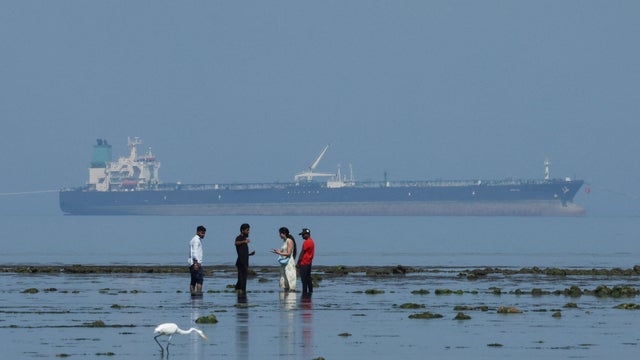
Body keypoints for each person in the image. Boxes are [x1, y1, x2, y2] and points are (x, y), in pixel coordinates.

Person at [273, 227, 297, 292]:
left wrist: (279, 252)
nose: (279, 235)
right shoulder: (285, 241)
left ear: (284, 233)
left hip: (289, 263)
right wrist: (278, 251)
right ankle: (286, 297)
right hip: (284, 263)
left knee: (289, 279)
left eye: (280, 233)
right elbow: (284, 251)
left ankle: (291, 297)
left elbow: (289, 253)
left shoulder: (289, 241)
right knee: (284, 280)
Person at [234, 223, 255, 294]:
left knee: (243, 279)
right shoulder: (239, 238)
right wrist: (244, 242)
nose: (248, 232)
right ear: (242, 230)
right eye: (247, 230)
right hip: (241, 262)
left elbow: (242, 252)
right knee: (241, 279)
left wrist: (249, 254)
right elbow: (236, 243)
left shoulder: (244, 239)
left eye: (249, 230)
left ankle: (240, 292)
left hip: (245, 262)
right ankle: (241, 294)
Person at [296, 228, 315, 298]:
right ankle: (310, 294)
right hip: (309, 263)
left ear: (307, 234)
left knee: (304, 281)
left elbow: (302, 253)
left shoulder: (306, 242)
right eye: (302, 235)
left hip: (304, 263)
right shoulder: (312, 241)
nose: (302, 236)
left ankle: (304, 295)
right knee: (308, 280)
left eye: (303, 235)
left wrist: (298, 263)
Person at [188, 225, 206, 294]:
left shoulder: (194, 239)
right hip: (195, 263)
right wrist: (196, 263)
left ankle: (192, 296)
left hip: (192, 263)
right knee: (199, 280)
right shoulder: (196, 240)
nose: (203, 235)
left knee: (193, 281)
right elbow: (194, 252)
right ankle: (198, 295)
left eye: (204, 233)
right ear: (198, 232)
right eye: (202, 233)